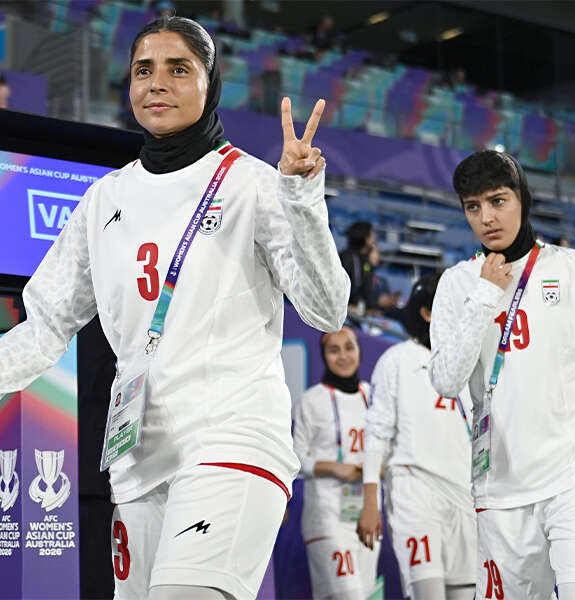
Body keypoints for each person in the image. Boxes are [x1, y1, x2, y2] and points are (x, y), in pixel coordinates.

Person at [0, 15, 350, 600]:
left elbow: (326, 309)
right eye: (144, 70)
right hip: (139, 459)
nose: (157, 83)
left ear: (210, 85)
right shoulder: (104, 199)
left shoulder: (253, 183)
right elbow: (45, 327)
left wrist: (301, 199)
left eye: (178, 69)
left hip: (232, 438)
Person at [429, 150, 575, 600]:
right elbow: (446, 380)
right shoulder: (457, 283)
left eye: (498, 201)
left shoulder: (572, 269)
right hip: (500, 488)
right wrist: (486, 294)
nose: (486, 217)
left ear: (522, 197)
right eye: (473, 206)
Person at [357, 272, 476, 600]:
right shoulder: (397, 359)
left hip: (464, 497)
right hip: (415, 489)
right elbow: (377, 431)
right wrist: (371, 501)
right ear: (426, 312)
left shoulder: (471, 365)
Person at [293, 327, 380, 599]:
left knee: (364, 593)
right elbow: (294, 460)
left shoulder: (374, 397)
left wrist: (375, 469)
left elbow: (392, 451)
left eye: (349, 348)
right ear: (324, 356)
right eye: (334, 350)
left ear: (359, 351)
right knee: (349, 595)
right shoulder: (311, 400)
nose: (343, 356)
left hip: (367, 515)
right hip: (327, 515)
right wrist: (333, 467)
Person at [339, 221, 376, 315]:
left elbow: (366, 288)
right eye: (372, 235)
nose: (375, 238)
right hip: (345, 312)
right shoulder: (347, 259)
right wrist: (349, 308)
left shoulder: (365, 260)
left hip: (359, 310)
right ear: (366, 239)